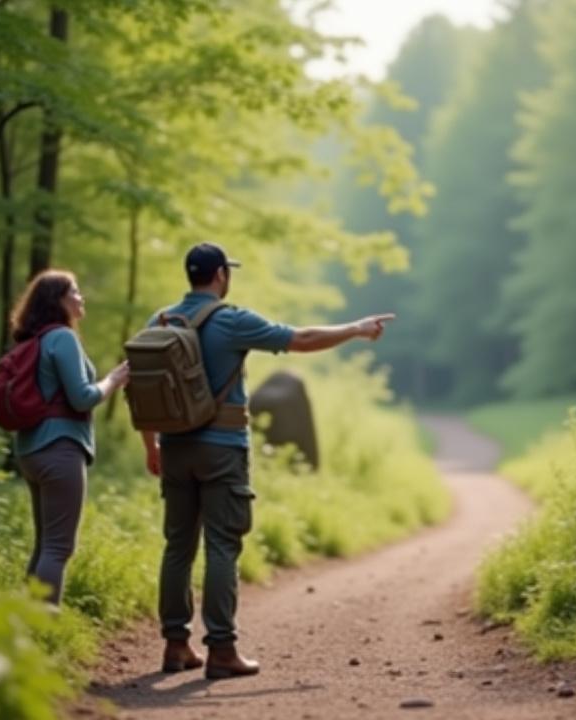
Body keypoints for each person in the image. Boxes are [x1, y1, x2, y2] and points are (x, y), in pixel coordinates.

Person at [144, 242, 393, 680]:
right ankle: (221, 650)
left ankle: (176, 645)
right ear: (220, 274)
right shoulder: (231, 320)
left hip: (175, 448)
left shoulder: (161, 320)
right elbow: (301, 338)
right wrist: (355, 328)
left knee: (178, 546)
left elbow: (141, 386)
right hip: (222, 448)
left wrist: (153, 447)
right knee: (222, 545)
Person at [10, 269, 130, 604]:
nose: (81, 297)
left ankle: (29, 627)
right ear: (58, 301)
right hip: (60, 449)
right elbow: (82, 397)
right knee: (59, 547)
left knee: (45, 543)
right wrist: (113, 380)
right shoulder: (62, 338)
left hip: (31, 449)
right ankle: (45, 632)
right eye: (74, 292)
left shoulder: (35, 339)